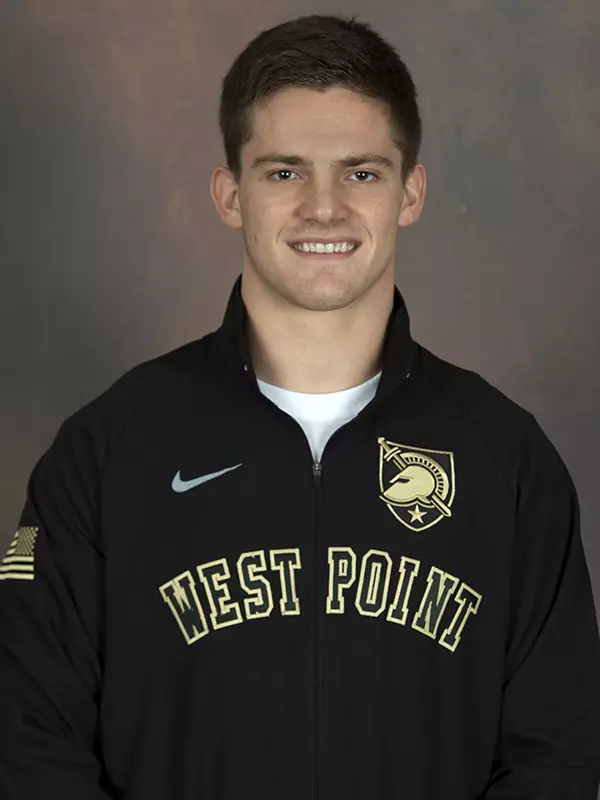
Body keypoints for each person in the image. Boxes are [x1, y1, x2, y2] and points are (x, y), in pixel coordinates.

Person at [1, 12, 599, 799]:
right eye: (284, 172)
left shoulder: (508, 461)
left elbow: (557, 756)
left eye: (361, 172)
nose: (324, 207)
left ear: (410, 193)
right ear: (229, 194)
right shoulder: (108, 451)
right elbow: (29, 739)